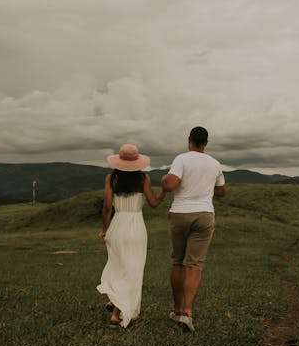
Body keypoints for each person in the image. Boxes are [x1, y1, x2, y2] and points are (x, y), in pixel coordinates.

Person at [161, 126, 226, 332]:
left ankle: (178, 309)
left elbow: (171, 184)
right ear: (206, 143)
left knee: (178, 262)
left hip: (180, 213)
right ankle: (188, 313)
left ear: (189, 140)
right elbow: (222, 192)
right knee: (195, 265)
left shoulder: (181, 159)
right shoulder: (214, 164)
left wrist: (163, 179)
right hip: (204, 214)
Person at [97, 143, 166, 328]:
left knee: (118, 265)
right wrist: (165, 191)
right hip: (136, 227)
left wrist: (105, 229)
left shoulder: (111, 178)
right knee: (132, 269)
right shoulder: (143, 178)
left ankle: (116, 303)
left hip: (117, 225)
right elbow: (154, 203)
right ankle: (116, 313)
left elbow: (106, 207)